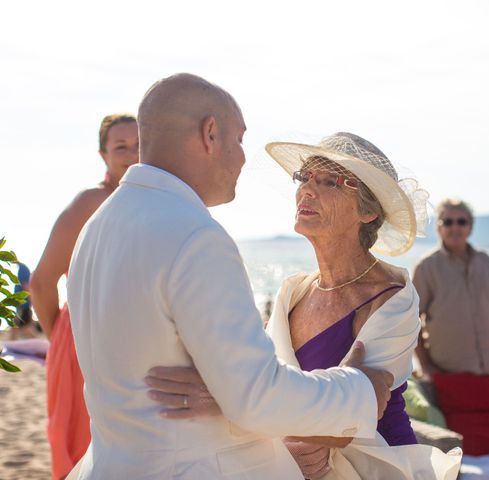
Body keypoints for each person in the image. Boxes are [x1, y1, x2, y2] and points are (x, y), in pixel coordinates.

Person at [66, 74, 395, 480]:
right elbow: (256, 397)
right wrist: (361, 392)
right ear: (210, 134)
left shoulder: (96, 227)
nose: (242, 158)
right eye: (239, 140)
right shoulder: (194, 237)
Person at [146, 132, 462, 480]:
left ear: (368, 212)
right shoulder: (292, 293)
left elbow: (354, 414)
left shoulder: (393, 297)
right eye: (305, 177)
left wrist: (221, 401)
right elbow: (267, 382)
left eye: (330, 181)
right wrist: (279, 442)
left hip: (377, 468)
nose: (307, 190)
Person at [30, 112, 138, 479]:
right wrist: (60, 341)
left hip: (135, 344)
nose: (132, 154)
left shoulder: (152, 202)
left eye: (140, 144)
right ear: (103, 154)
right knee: (79, 449)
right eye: (121, 146)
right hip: (81, 344)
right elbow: (41, 283)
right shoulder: (89, 202)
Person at [412, 198, 489, 378]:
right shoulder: (426, 267)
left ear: (470, 227)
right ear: (439, 227)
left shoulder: (486, 262)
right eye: (448, 222)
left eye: (462, 222)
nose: (455, 227)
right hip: (448, 374)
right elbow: (411, 320)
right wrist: (426, 366)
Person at [9, 262, 38, 340]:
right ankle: (11, 342)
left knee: (24, 325)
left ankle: (37, 343)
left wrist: (31, 298)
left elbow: (25, 285)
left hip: (23, 302)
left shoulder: (23, 269)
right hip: (21, 302)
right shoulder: (22, 268)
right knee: (22, 324)